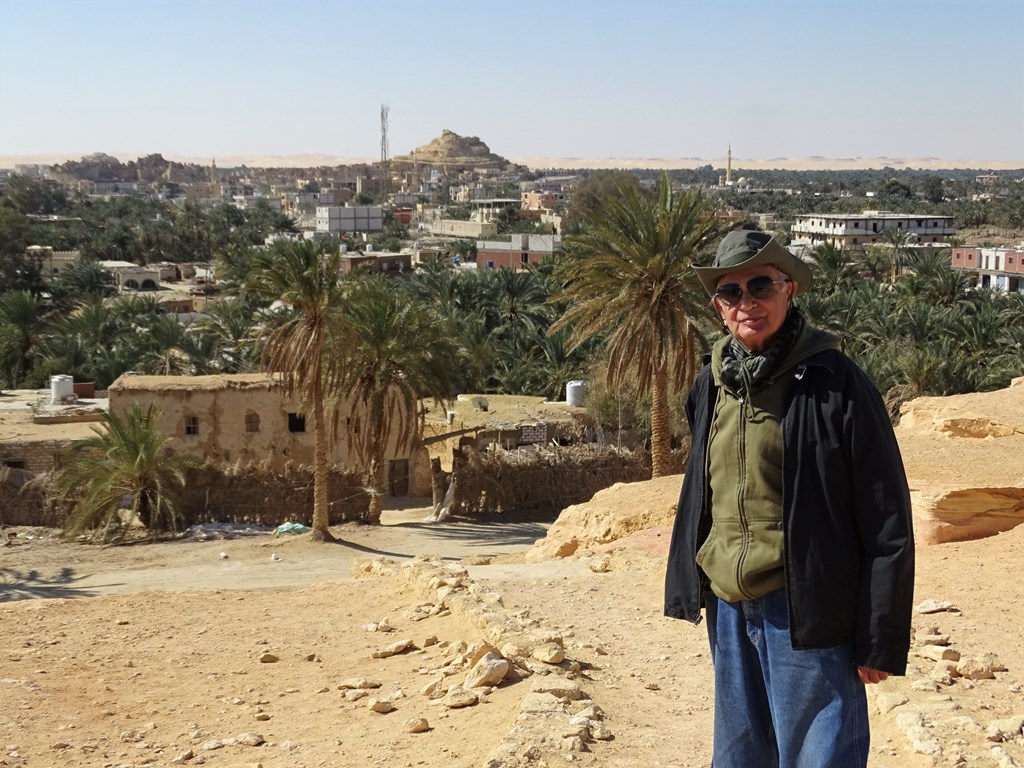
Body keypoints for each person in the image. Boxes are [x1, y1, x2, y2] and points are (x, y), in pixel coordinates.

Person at [663, 230, 915, 767]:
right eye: (732, 293)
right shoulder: (711, 384)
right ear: (718, 308)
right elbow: (703, 491)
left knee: (818, 756)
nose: (746, 302)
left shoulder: (836, 383)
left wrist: (879, 638)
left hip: (807, 606)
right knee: (739, 757)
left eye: (760, 285)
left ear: (789, 289)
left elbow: (886, 518)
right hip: (729, 604)